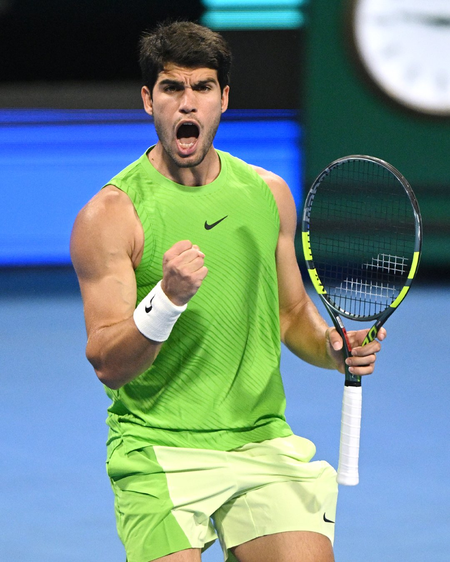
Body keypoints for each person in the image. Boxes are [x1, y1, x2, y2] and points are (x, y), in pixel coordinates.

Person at [70, 20, 386, 562]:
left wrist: (332, 349)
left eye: (202, 87)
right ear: (148, 100)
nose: (187, 102)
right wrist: (166, 301)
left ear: (224, 99)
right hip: (159, 447)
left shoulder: (268, 194)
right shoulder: (110, 217)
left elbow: (291, 313)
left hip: (261, 441)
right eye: (171, 87)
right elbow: (108, 364)